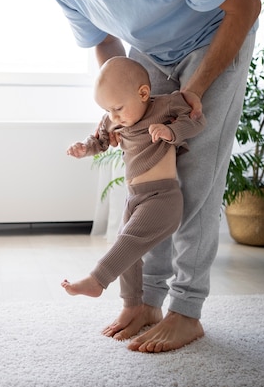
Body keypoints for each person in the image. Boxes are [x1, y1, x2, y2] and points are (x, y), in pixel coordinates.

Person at [0, 0, 261, 352]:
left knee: (194, 176)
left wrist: (194, 90)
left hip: (218, 28)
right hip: (154, 51)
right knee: (151, 178)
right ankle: (145, 300)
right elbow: (106, 46)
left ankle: (187, 310)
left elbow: (244, 5)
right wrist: (118, 110)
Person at [62, 56, 206, 315]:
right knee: (127, 254)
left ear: (143, 93)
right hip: (134, 197)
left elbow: (197, 121)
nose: (112, 116)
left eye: (117, 108)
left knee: (127, 242)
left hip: (163, 198)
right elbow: (100, 141)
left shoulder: (166, 106)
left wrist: (170, 132)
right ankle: (132, 307)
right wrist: (85, 148)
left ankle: (97, 280)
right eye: (107, 110)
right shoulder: (113, 120)